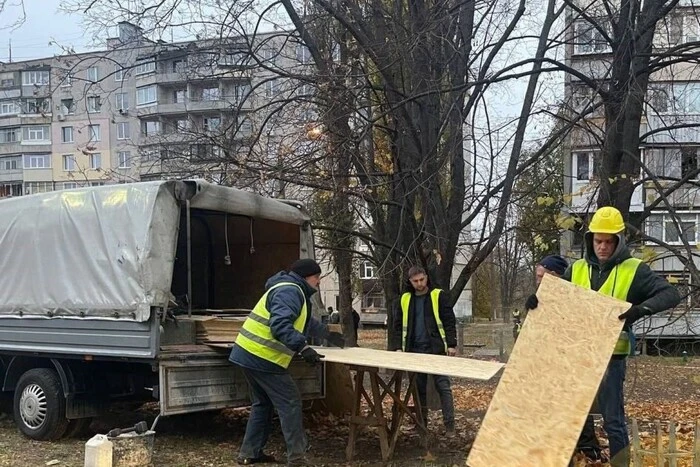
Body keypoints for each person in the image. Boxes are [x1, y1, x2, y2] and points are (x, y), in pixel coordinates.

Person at [527, 206, 680, 467]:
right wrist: (538, 300)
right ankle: (580, 457)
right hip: (579, 354)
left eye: (609, 241)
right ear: (590, 240)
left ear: (618, 241)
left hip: (611, 356)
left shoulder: (635, 269)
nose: (603, 247)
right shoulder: (576, 269)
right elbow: (558, 298)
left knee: (613, 421)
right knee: (573, 413)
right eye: (598, 240)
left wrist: (639, 310)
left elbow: (670, 294)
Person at [230, 258, 346, 467]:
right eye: (316, 277)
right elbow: (280, 325)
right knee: (290, 402)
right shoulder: (290, 291)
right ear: (305, 277)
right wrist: (303, 348)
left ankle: (250, 453)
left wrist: (328, 334)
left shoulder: (292, 290)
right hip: (262, 356)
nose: (318, 282)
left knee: (262, 404)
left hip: (247, 353)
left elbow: (304, 321)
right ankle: (297, 458)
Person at [524, 255, 604, 462]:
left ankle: (588, 448)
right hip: (547, 360)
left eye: (542, 276)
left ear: (556, 275)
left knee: (577, 404)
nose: (539, 281)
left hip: (573, 360)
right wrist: (532, 308)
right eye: (537, 277)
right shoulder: (542, 296)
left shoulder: (573, 295)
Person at [390, 265, 457, 437]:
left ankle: (449, 425)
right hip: (414, 350)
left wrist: (451, 344)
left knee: (443, 386)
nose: (419, 284)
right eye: (415, 281)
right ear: (410, 281)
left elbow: (449, 321)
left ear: (426, 278)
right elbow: (397, 326)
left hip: (436, 349)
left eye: (422, 279)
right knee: (418, 389)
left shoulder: (438, 295)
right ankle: (422, 424)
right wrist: (398, 347)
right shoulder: (404, 299)